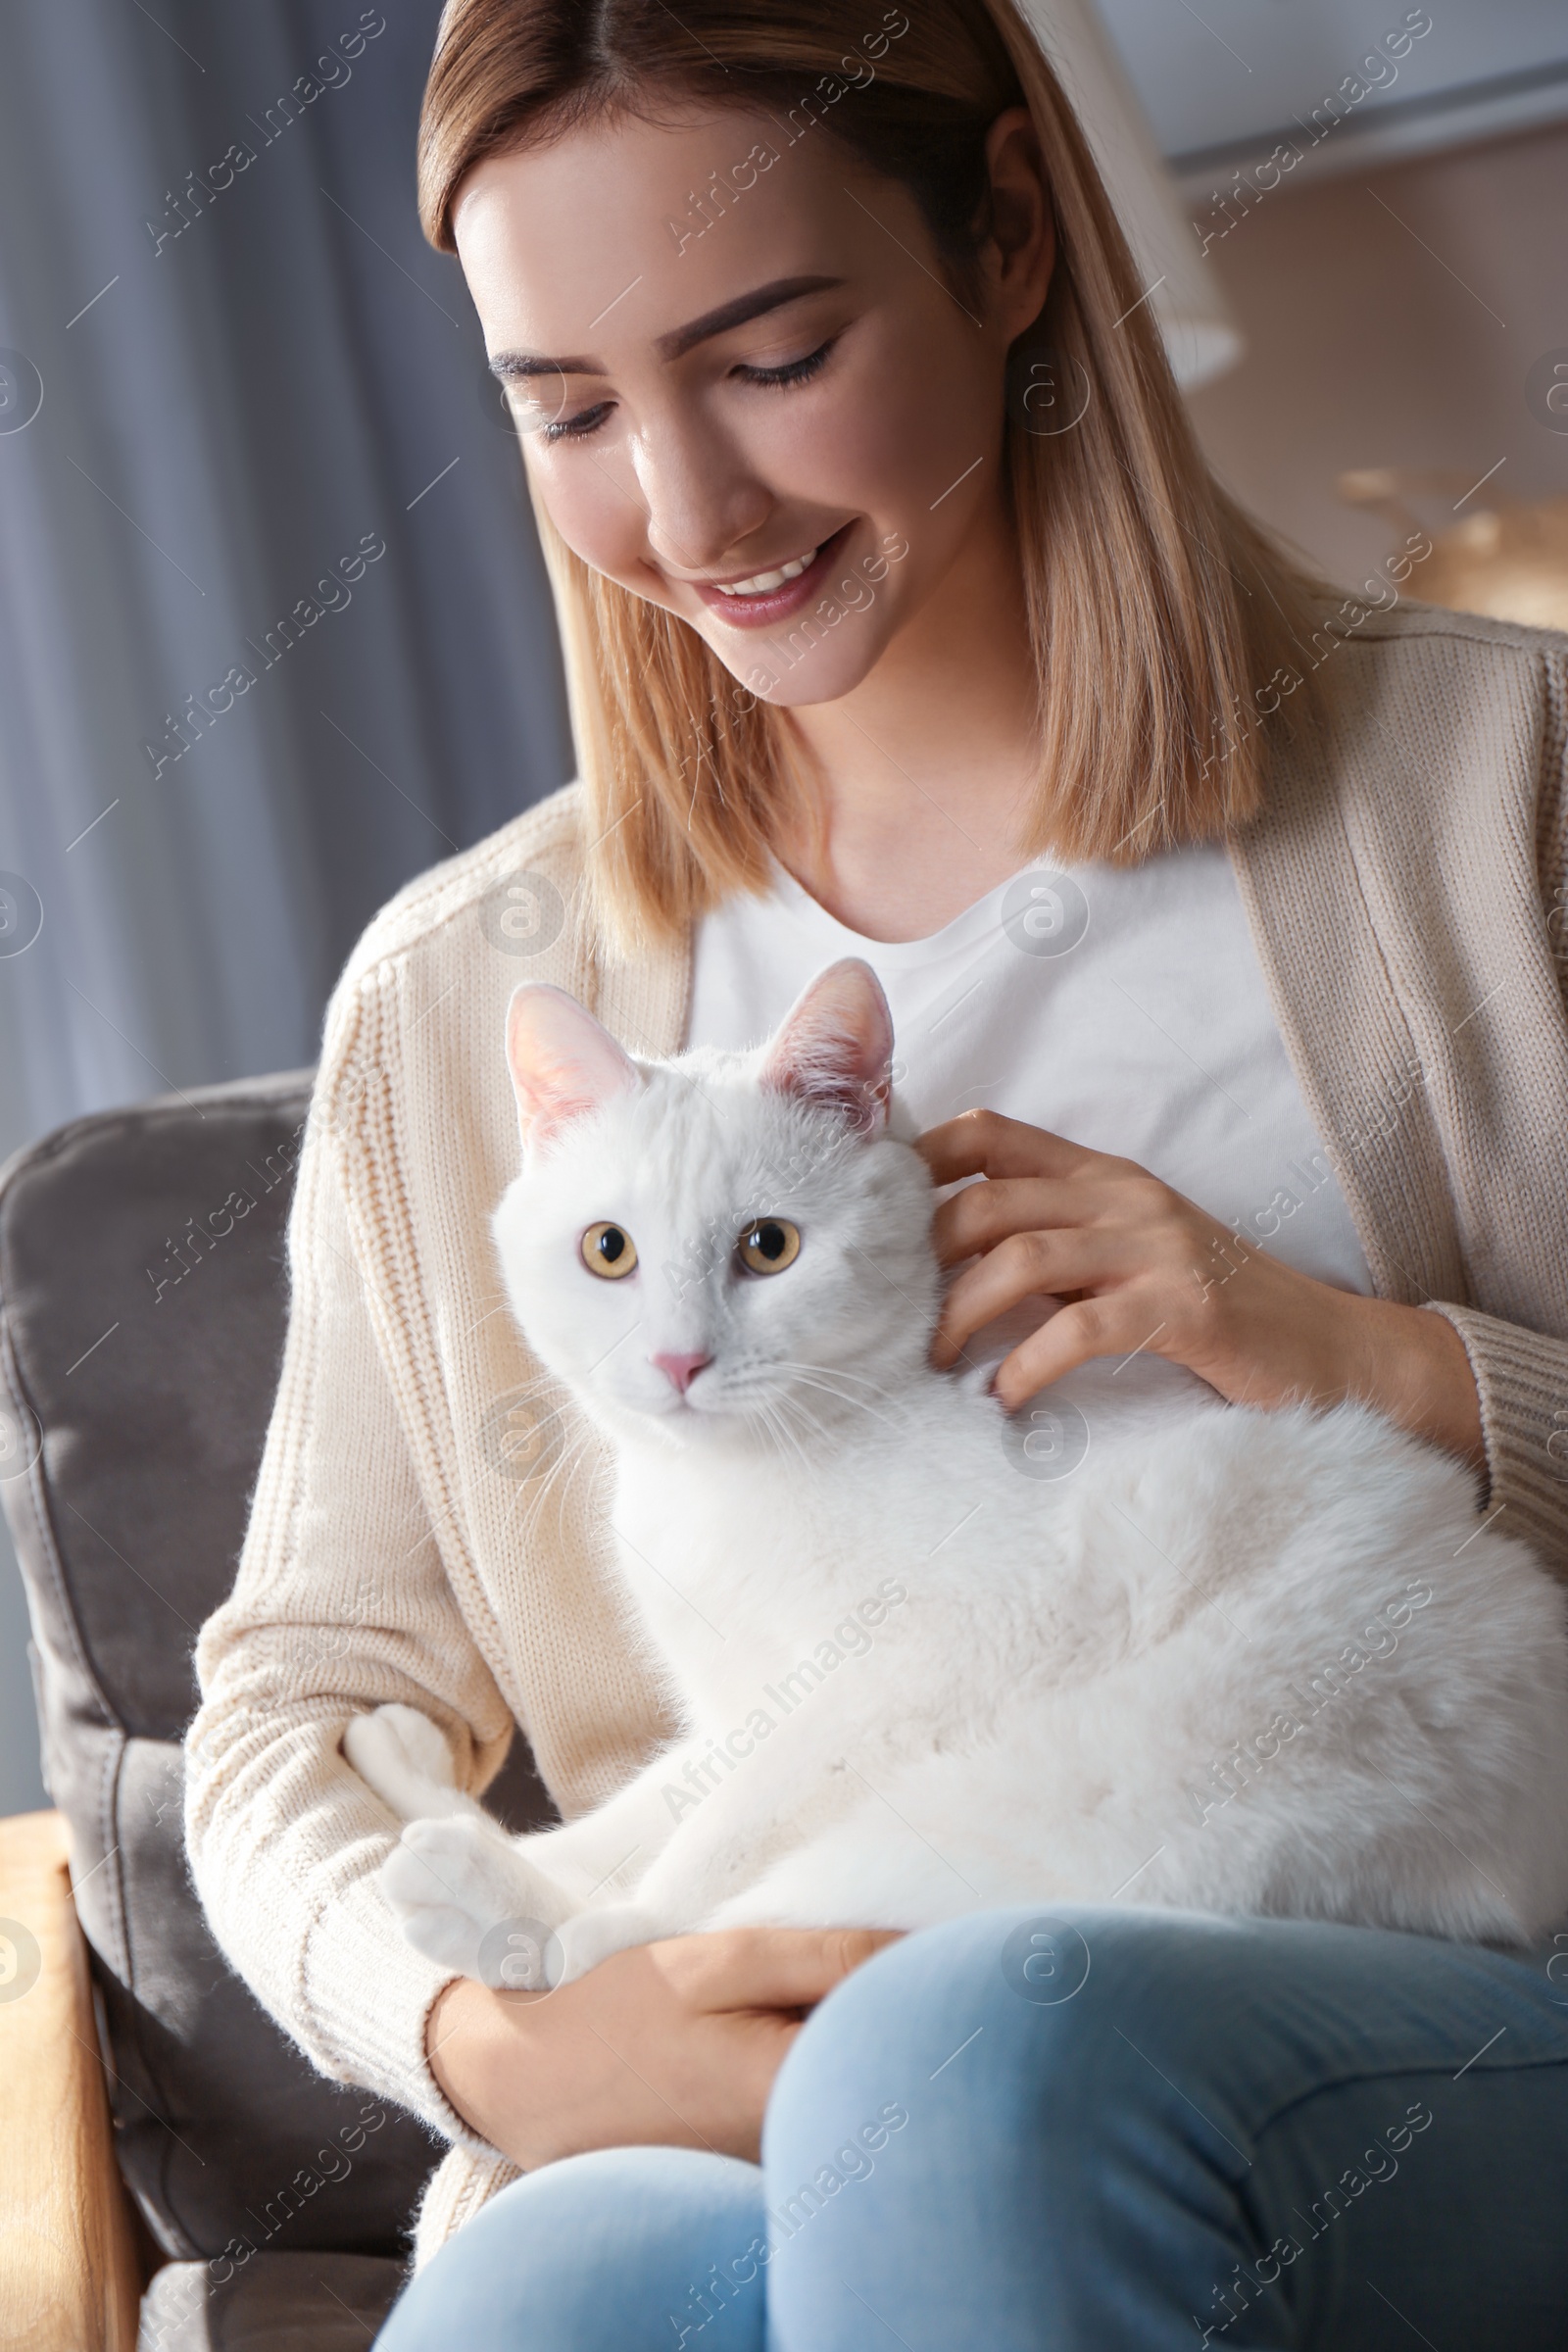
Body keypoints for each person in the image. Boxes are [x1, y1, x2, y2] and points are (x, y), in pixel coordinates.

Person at [183, 0, 1568, 2342]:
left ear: (1007, 237)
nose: (689, 511)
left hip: (1441, 1974)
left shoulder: (1495, 794)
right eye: (572, 412)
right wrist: (489, 2039)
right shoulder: (455, 1000)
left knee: (969, 2061)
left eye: (770, 353)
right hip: (759, 2035)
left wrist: (1375, 1363)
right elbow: (292, 1701)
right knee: (551, 2300)